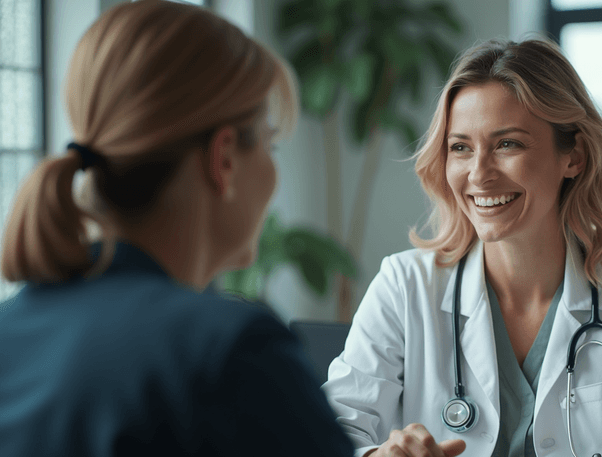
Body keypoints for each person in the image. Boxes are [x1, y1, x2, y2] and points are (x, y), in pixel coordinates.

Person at [322, 38, 602, 457]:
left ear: (573, 156)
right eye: (461, 148)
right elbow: (326, 434)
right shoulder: (404, 285)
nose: (479, 174)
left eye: (508, 144)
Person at [0, 1, 353, 456]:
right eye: (271, 144)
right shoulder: (230, 354)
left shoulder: (10, 334)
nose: (273, 170)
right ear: (223, 159)